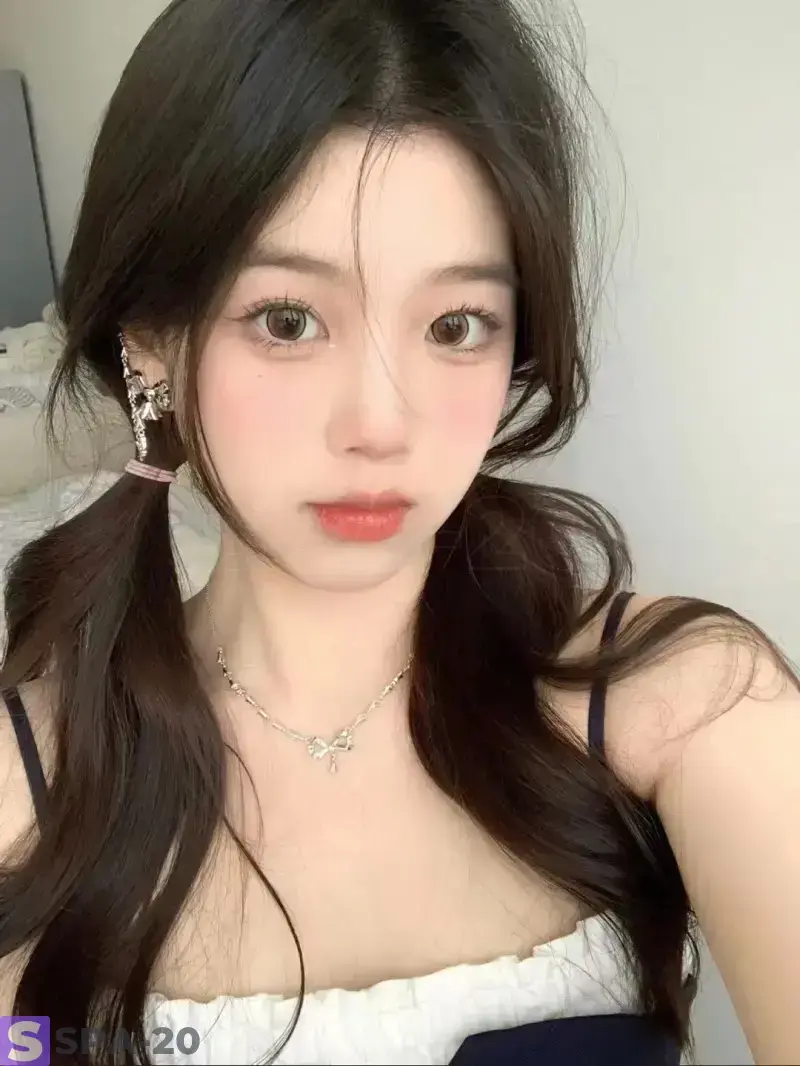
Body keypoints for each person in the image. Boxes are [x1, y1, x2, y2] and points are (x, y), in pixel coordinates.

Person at [0, 0, 797, 1063]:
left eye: (454, 326)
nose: (380, 424)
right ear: (149, 343)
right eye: (288, 320)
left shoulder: (685, 706)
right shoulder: (27, 784)